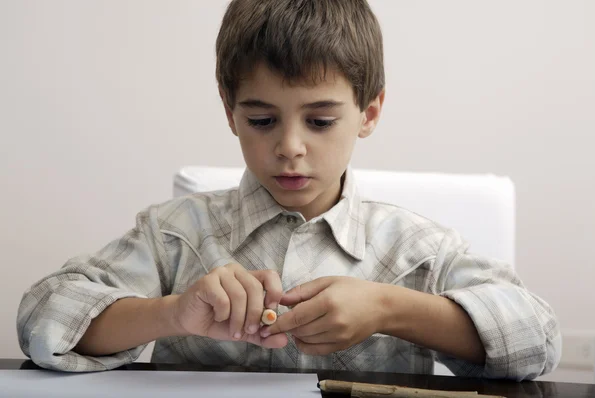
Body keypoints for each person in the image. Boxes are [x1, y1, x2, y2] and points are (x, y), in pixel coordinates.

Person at [17, 0, 560, 380]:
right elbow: (43, 320)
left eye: (320, 122)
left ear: (368, 113)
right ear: (230, 112)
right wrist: (172, 313)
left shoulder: (415, 249)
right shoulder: (175, 234)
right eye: (262, 120)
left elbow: (538, 340)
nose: (290, 147)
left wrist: (389, 309)